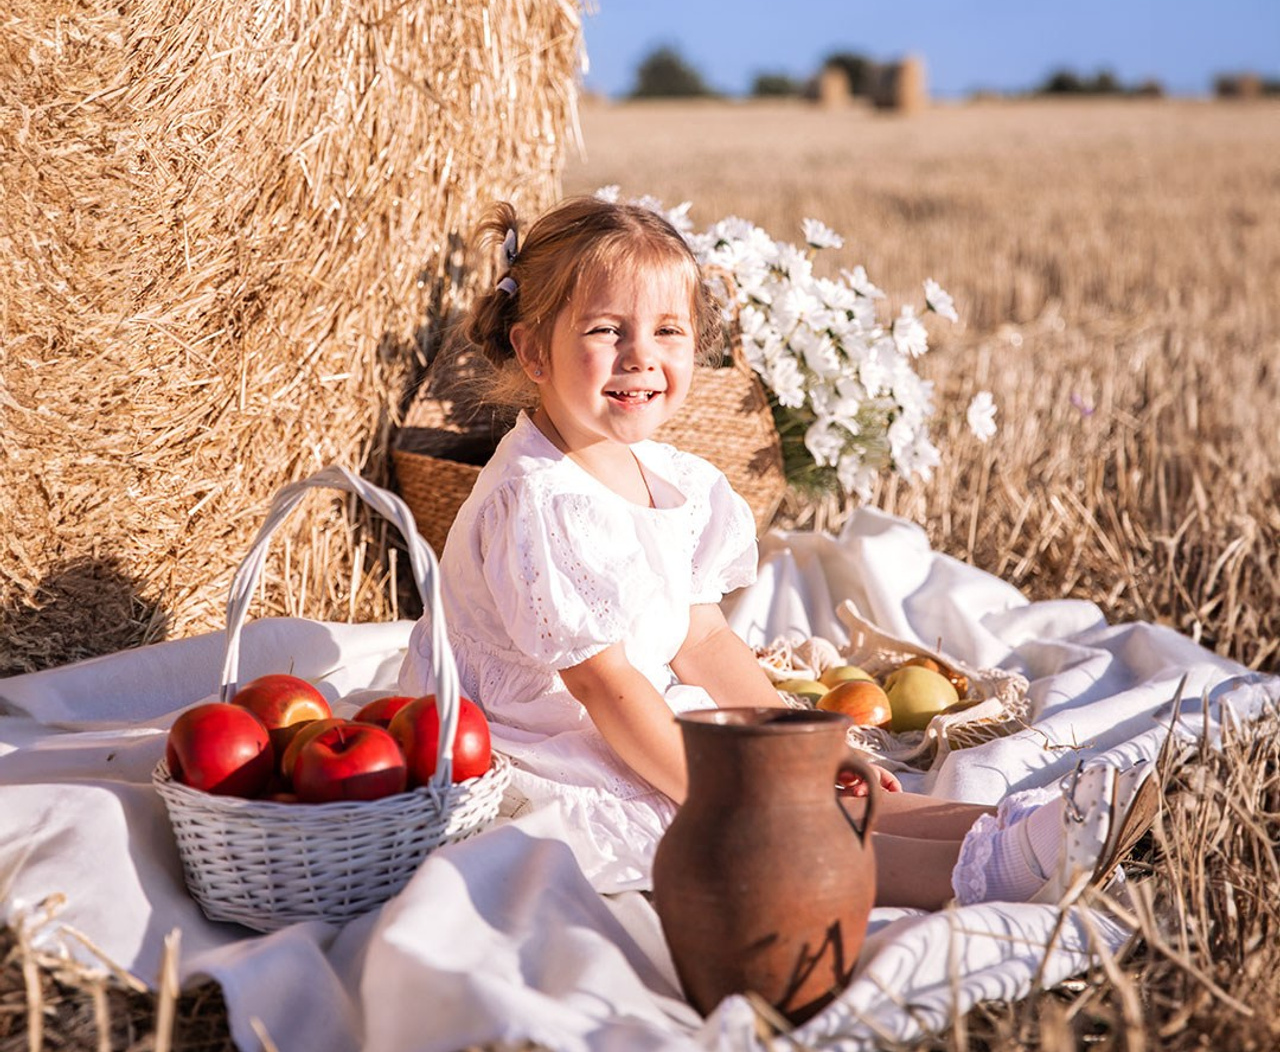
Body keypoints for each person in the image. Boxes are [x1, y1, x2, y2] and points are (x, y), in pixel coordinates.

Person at [399, 196, 1156, 909]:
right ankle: (989, 874)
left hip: (633, 711)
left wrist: (806, 749)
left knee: (827, 788)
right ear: (533, 350)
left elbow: (701, 638)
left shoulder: (663, 475)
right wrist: (724, 797)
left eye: (668, 331)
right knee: (770, 830)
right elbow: (604, 686)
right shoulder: (538, 499)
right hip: (545, 741)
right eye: (606, 331)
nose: (640, 356)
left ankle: (1013, 828)